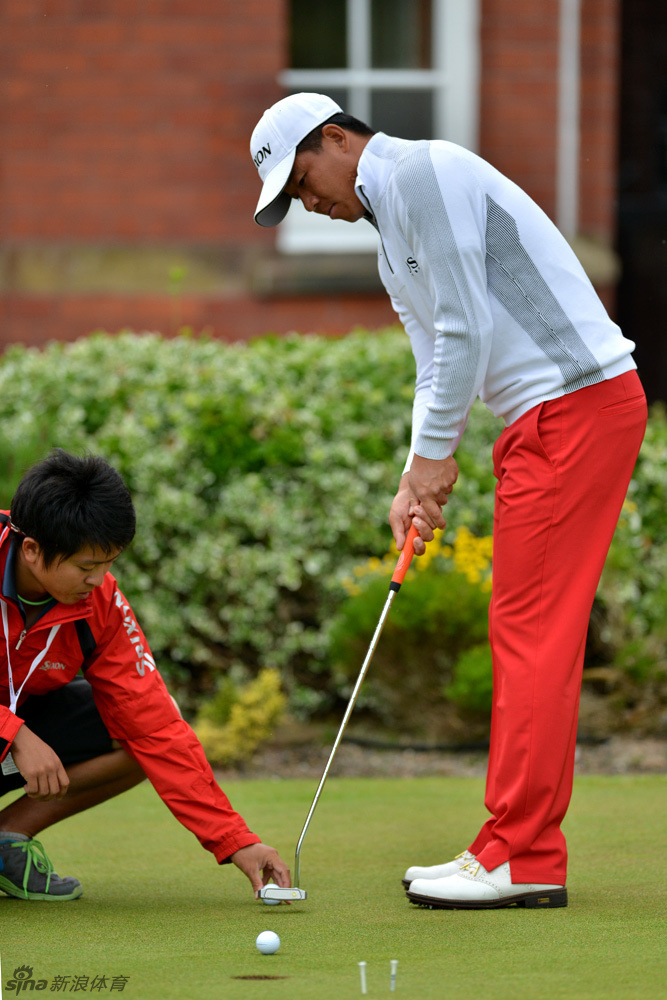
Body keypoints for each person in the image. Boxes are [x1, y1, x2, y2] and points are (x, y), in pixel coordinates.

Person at [249, 93, 647, 909]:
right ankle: (508, 845)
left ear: (335, 139)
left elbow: (465, 327)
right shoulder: (390, 238)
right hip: (546, 417)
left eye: (301, 183)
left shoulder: (421, 172)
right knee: (524, 626)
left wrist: (437, 460)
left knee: (532, 630)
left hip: (574, 405)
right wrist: (413, 475)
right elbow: (435, 358)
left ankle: (524, 853)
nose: (309, 206)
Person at [0, 449, 290, 901]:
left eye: (109, 563)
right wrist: (16, 734)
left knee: (134, 733)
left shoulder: (101, 602)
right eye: (86, 566)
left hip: (19, 727)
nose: (99, 580)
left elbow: (152, 723)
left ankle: (6, 839)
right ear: (33, 550)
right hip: (11, 732)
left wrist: (236, 840)